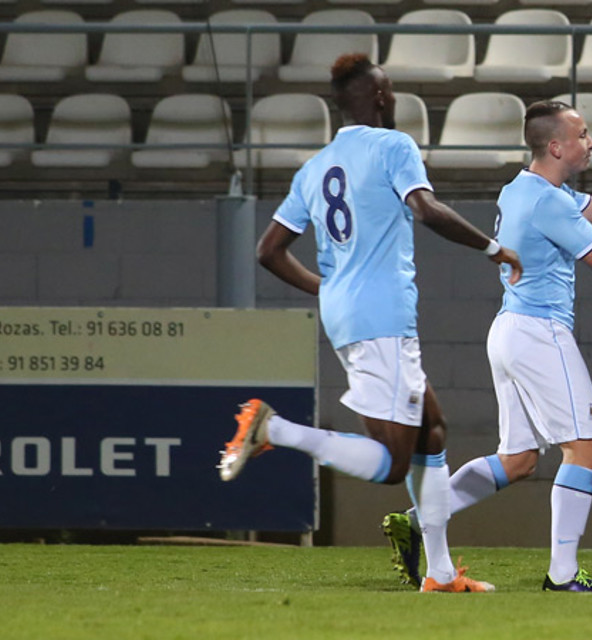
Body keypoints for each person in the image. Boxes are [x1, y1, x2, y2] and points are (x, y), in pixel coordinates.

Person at [216, 53, 522, 594]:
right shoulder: (393, 147)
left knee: (432, 430)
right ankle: (273, 428)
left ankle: (441, 573)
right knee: (390, 464)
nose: (396, 97)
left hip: (351, 312)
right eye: (392, 90)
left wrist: (328, 288)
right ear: (380, 97)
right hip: (381, 317)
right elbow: (426, 210)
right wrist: (493, 247)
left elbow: (269, 251)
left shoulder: (313, 169)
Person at [384, 100, 592, 592]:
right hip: (540, 332)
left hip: (510, 330)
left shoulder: (523, 188)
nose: (591, 142)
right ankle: (562, 575)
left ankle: (420, 517)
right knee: (586, 445)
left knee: (519, 460)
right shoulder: (547, 202)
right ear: (556, 146)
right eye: (582, 134)